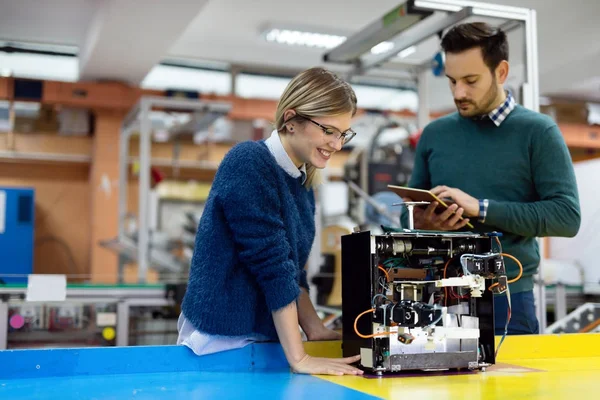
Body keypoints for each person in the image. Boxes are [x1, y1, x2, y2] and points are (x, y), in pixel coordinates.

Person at [178, 67, 364, 376]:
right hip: (221, 341)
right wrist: (300, 358)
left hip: (265, 342)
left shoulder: (303, 184)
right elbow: (273, 268)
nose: (337, 144)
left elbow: (292, 272)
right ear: (291, 119)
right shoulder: (249, 162)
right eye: (328, 130)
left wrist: (316, 330)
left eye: (343, 134)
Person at [403, 22, 581, 335]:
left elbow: (566, 217)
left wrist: (480, 208)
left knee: (512, 385)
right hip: (441, 295)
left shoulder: (538, 132)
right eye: (452, 81)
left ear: (500, 72)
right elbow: (410, 215)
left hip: (508, 298)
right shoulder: (434, 135)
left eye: (471, 81)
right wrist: (424, 224)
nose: (459, 93)